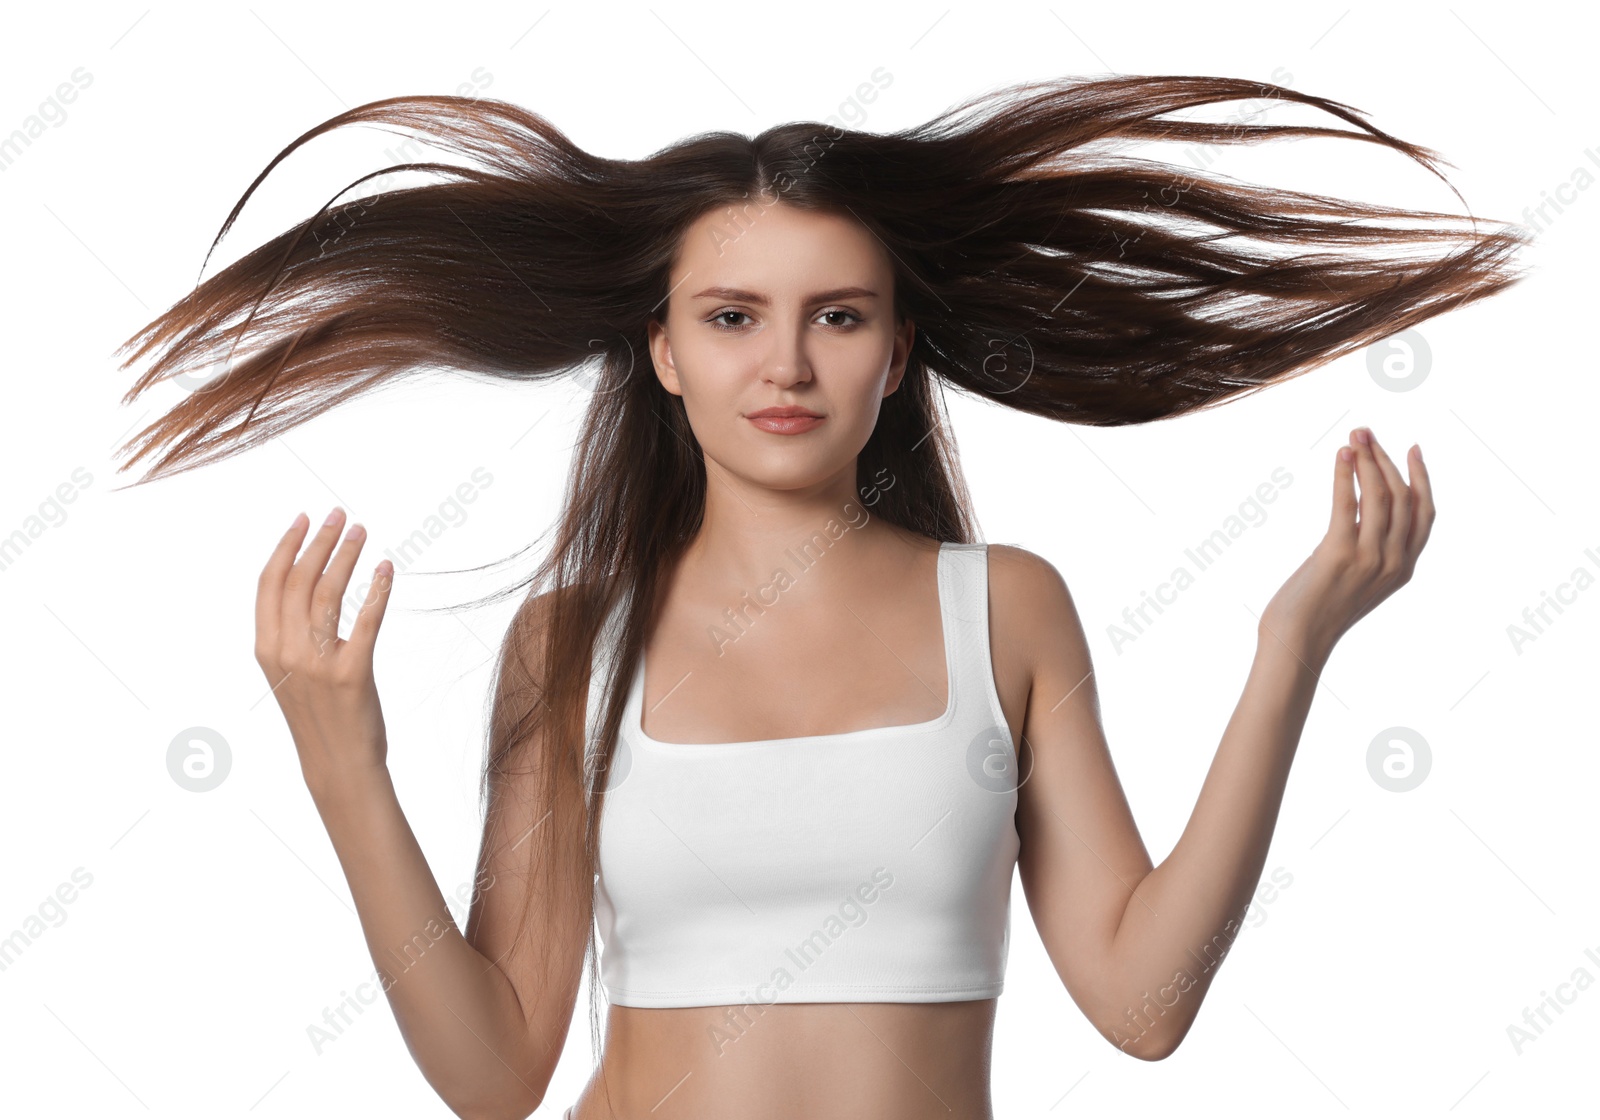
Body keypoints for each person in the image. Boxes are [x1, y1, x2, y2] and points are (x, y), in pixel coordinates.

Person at [113, 74, 1525, 1119]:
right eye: (733, 317)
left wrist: (1292, 649)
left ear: (897, 353)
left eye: (834, 317)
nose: (783, 366)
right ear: (663, 349)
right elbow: (499, 1074)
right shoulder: (572, 646)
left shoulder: (1007, 613)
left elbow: (1142, 1006)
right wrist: (341, 764)